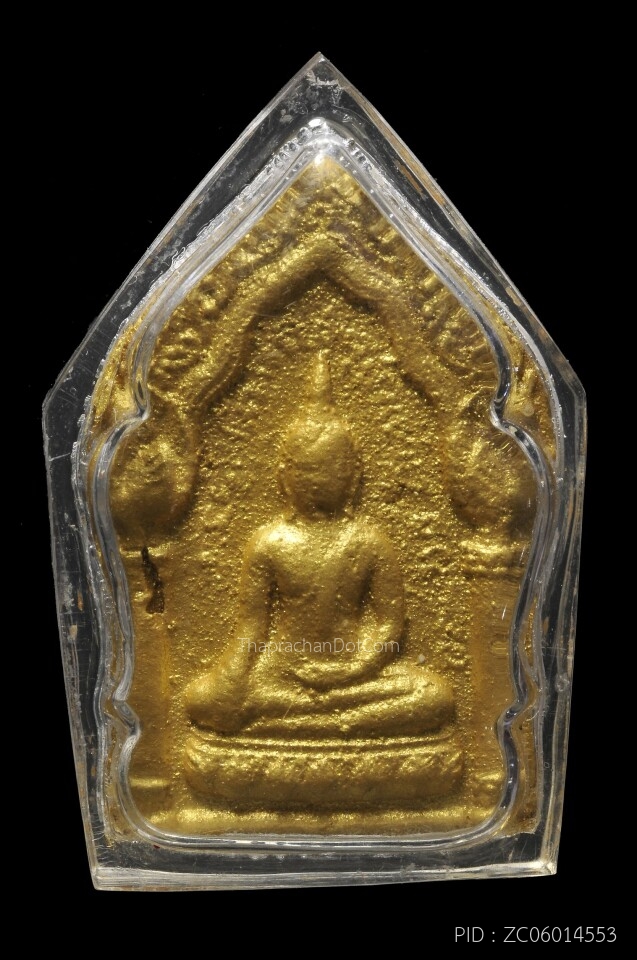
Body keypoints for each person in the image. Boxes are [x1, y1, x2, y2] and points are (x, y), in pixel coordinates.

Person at [185, 353, 454, 738]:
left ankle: (308, 717)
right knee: (203, 700)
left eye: (331, 468)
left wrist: (356, 670)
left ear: (353, 473)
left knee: (435, 696)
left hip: (357, 672)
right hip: (283, 670)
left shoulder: (369, 541)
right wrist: (231, 678)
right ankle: (336, 720)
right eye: (307, 468)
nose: (318, 480)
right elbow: (253, 628)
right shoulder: (269, 543)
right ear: (284, 474)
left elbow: (389, 625)